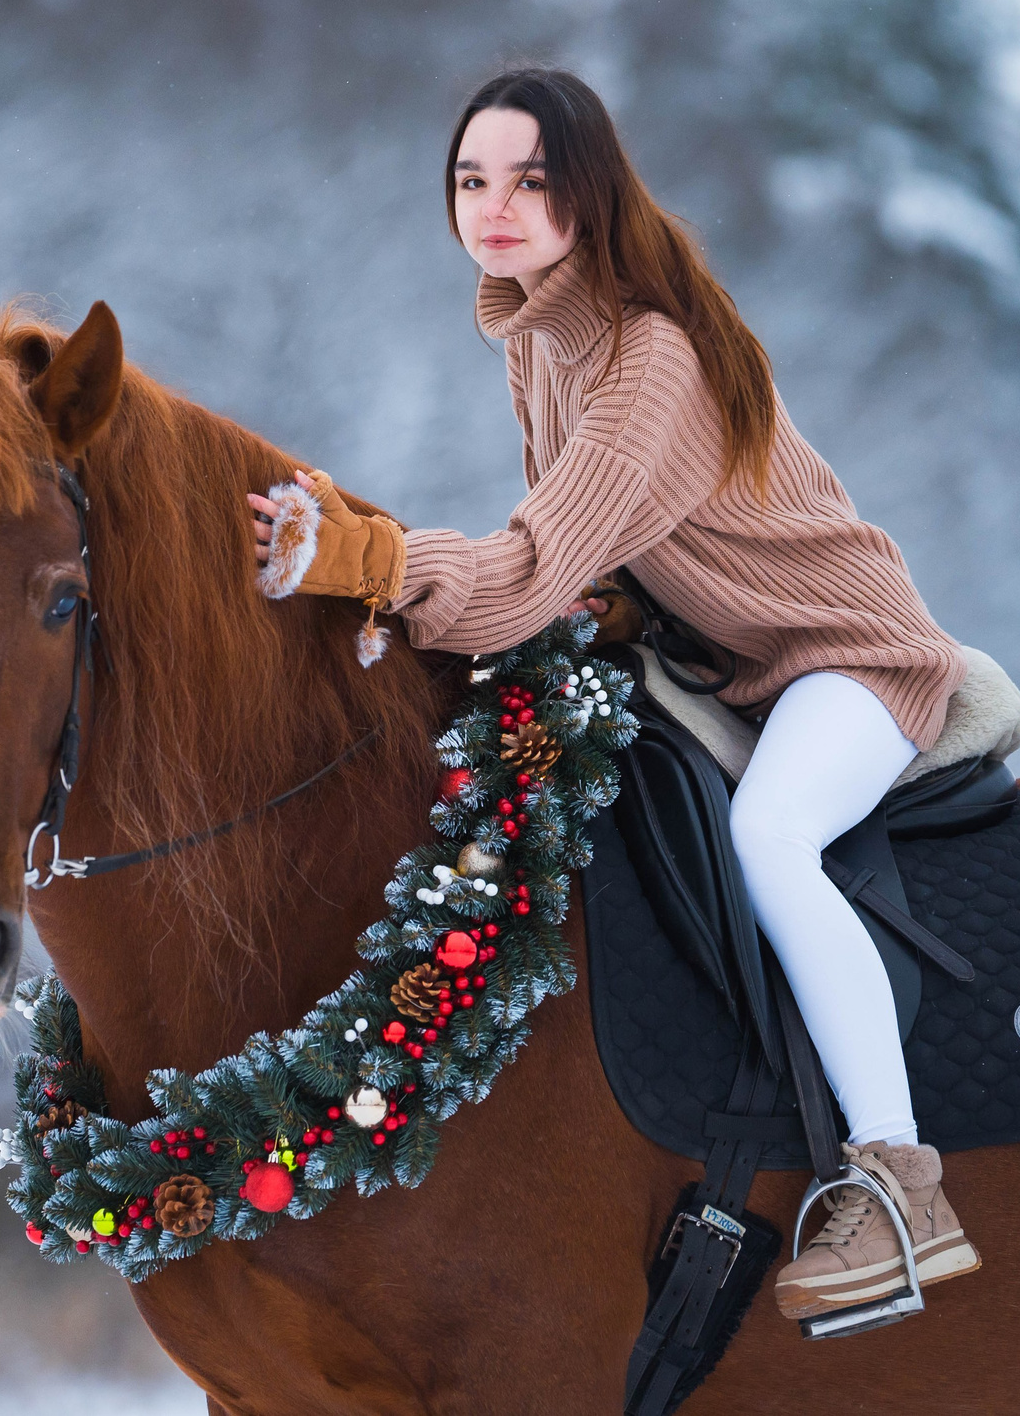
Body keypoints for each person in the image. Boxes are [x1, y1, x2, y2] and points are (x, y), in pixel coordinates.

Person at [245, 66, 980, 1321]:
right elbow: (596, 558)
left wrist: (370, 560)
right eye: (472, 180)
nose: (495, 204)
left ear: (588, 194)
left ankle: (901, 1178)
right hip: (724, 664)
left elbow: (532, 565)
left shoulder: (649, 358)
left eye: (529, 180)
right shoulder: (542, 338)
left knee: (772, 841)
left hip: (846, 658)